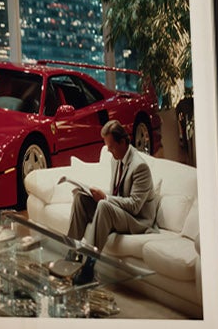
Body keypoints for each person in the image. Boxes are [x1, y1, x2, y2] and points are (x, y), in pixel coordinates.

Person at [67, 120, 158, 284]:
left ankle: (89, 267)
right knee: (81, 198)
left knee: (104, 205)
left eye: (111, 147)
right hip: (120, 212)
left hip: (138, 220)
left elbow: (135, 206)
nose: (109, 151)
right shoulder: (116, 159)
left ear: (123, 142)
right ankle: (71, 257)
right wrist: (92, 192)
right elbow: (117, 192)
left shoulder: (140, 167)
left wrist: (105, 198)